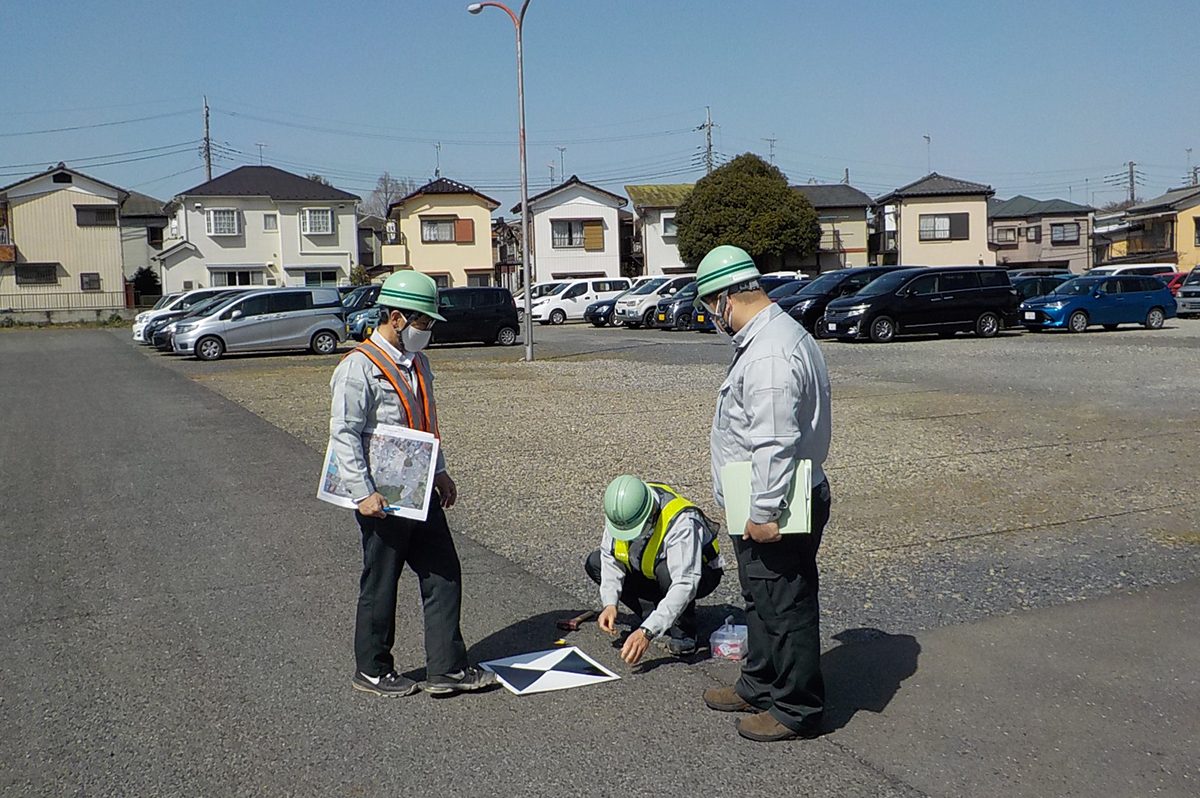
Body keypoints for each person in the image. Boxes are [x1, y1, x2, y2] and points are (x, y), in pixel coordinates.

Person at [328, 271, 496, 698]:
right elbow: (343, 434)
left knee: (444, 572)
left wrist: (439, 470)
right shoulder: (357, 368)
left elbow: (425, 422)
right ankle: (372, 668)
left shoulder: (419, 363)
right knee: (381, 581)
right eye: (423, 323)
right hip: (380, 495)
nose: (429, 331)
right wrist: (362, 493)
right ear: (397, 317)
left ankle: (447, 668)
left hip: (418, 487)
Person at [694, 245, 833, 743]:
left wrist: (764, 513)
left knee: (786, 603)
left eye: (710, 306)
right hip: (764, 496)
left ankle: (796, 707)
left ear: (727, 299)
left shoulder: (771, 351)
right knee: (761, 600)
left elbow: (775, 439)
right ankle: (760, 682)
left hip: (777, 503)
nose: (712, 317)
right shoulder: (769, 338)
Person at [585, 475, 723, 665]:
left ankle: (683, 633)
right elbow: (609, 555)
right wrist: (610, 603)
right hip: (647, 564)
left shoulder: (681, 522)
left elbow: (685, 583)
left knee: (667, 573)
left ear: (649, 514)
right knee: (595, 562)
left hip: (698, 573)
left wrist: (647, 632)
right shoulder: (621, 510)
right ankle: (656, 616)